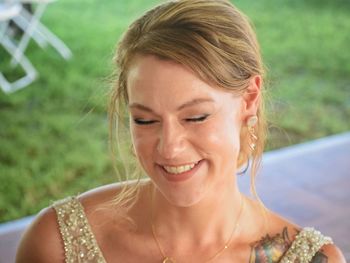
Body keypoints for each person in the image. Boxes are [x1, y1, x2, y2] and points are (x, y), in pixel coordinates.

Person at [16, 0, 345, 262]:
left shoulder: (311, 259)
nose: (169, 148)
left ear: (248, 100)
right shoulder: (57, 243)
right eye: (145, 120)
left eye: (196, 117)